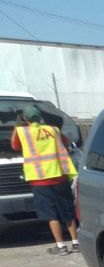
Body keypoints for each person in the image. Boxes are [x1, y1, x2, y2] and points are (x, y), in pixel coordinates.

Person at [11, 104, 79, 255]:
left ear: (25, 119)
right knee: (67, 211)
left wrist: (18, 125)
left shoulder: (22, 132)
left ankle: (60, 246)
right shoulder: (53, 129)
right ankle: (76, 243)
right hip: (60, 177)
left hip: (40, 180)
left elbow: (14, 146)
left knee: (51, 214)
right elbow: (66, 142)